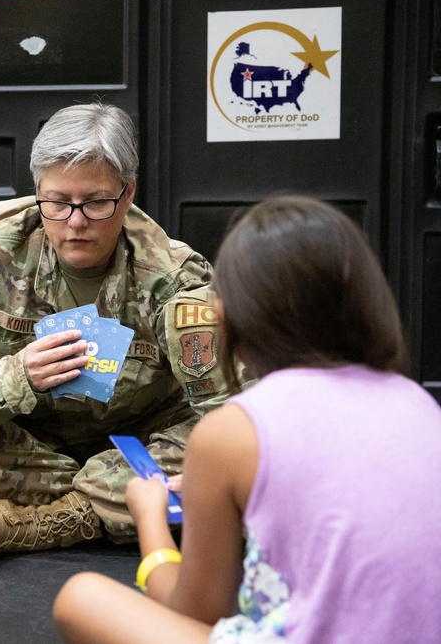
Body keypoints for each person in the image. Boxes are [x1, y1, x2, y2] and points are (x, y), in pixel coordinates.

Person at [52, 195, 441, 643]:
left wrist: (149, 517)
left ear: (229, 316)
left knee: (80, 598)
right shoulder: (416, 401)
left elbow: (196, 611)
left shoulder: (232, 432)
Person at [0, 102, 244, 560]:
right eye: (57, 202)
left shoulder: (174, 279)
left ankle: (45, 521)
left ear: (128, 194)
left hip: (135, 450)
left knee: (230, 454)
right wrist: (13, 376)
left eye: (95, 202)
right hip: (23, 450)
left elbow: (239, 416)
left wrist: (212, 469)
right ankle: (112, 508)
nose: (75, 222)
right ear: (37, 191)